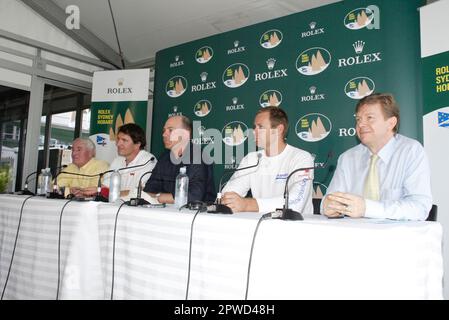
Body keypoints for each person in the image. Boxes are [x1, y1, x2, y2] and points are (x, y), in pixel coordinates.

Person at [322, 93, 432, 220]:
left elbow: (419, 208)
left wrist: (367, 208)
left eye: (369, 118)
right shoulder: (347, 158)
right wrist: (329, 205)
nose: (361, 124)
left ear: (391, 123)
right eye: (358, 119)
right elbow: (330, 198)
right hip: (354, 235)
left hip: (397, 237)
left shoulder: (411, 151)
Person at [221, 106, 314, 214]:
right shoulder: (251, 159)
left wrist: (247, 204)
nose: (253, 131)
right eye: (254, 127)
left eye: (260, 127)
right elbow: (227, 194)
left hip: (296, 227)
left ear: (279, 129)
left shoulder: (301, 158)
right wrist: (228, 200)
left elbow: (295, 202)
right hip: (259, 225)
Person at [143, 115, 216, 204]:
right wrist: (160, 196)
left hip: (196, 214)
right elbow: (149, 189)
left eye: (170, 130)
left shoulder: (198, 157)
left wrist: (160, 197)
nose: (164, 134)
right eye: (164, 131)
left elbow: (194, 197)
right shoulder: (164, 157)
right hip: (167, 211)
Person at [102, 123, 157, 198]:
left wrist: (112, 193)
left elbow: (140, 191)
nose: (118, 144)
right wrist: (96, 191)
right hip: (115, 205)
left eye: (124, 140)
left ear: (137, 144)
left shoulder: (148, 161)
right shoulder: (117, 160)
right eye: (118, 139)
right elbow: (105, 186)